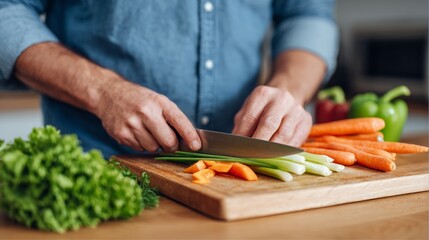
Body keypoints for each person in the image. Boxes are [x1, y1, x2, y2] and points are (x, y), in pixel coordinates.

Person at [0, 0, 338, 157]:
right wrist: (104, 92)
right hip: (96, 165)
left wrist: (290, 89)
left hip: (241, 179)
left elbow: (307, 14)